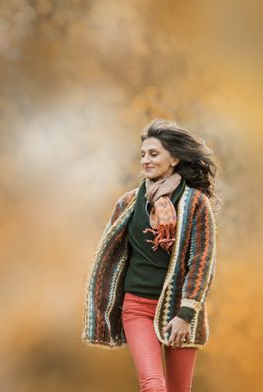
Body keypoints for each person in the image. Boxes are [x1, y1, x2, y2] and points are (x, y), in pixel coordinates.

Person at [82, 120, 221, 392]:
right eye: (143, 154)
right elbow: (111, 256)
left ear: (175, 158)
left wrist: (185, 314)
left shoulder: (195, 203)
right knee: (153, 385)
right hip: (136, 308)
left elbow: (202, 261)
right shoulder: (129, 203)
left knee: (179, 389)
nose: (145, 160)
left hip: (180, 310)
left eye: (153, 154)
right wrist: (103, 304)